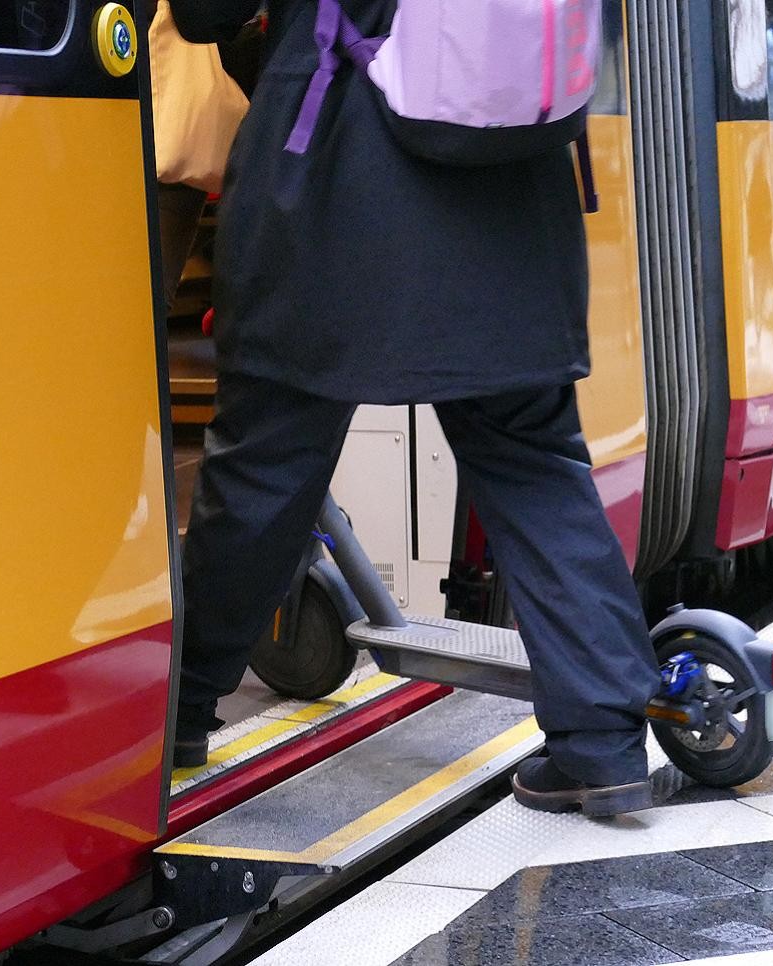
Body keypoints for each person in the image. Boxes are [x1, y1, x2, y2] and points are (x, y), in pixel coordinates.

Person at [167, 0, 660, 817]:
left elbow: (206, 13)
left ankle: (178, 712)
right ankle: (602, 741)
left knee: (266, 465)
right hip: (509, 191)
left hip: (331, 183)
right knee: (533, 462)